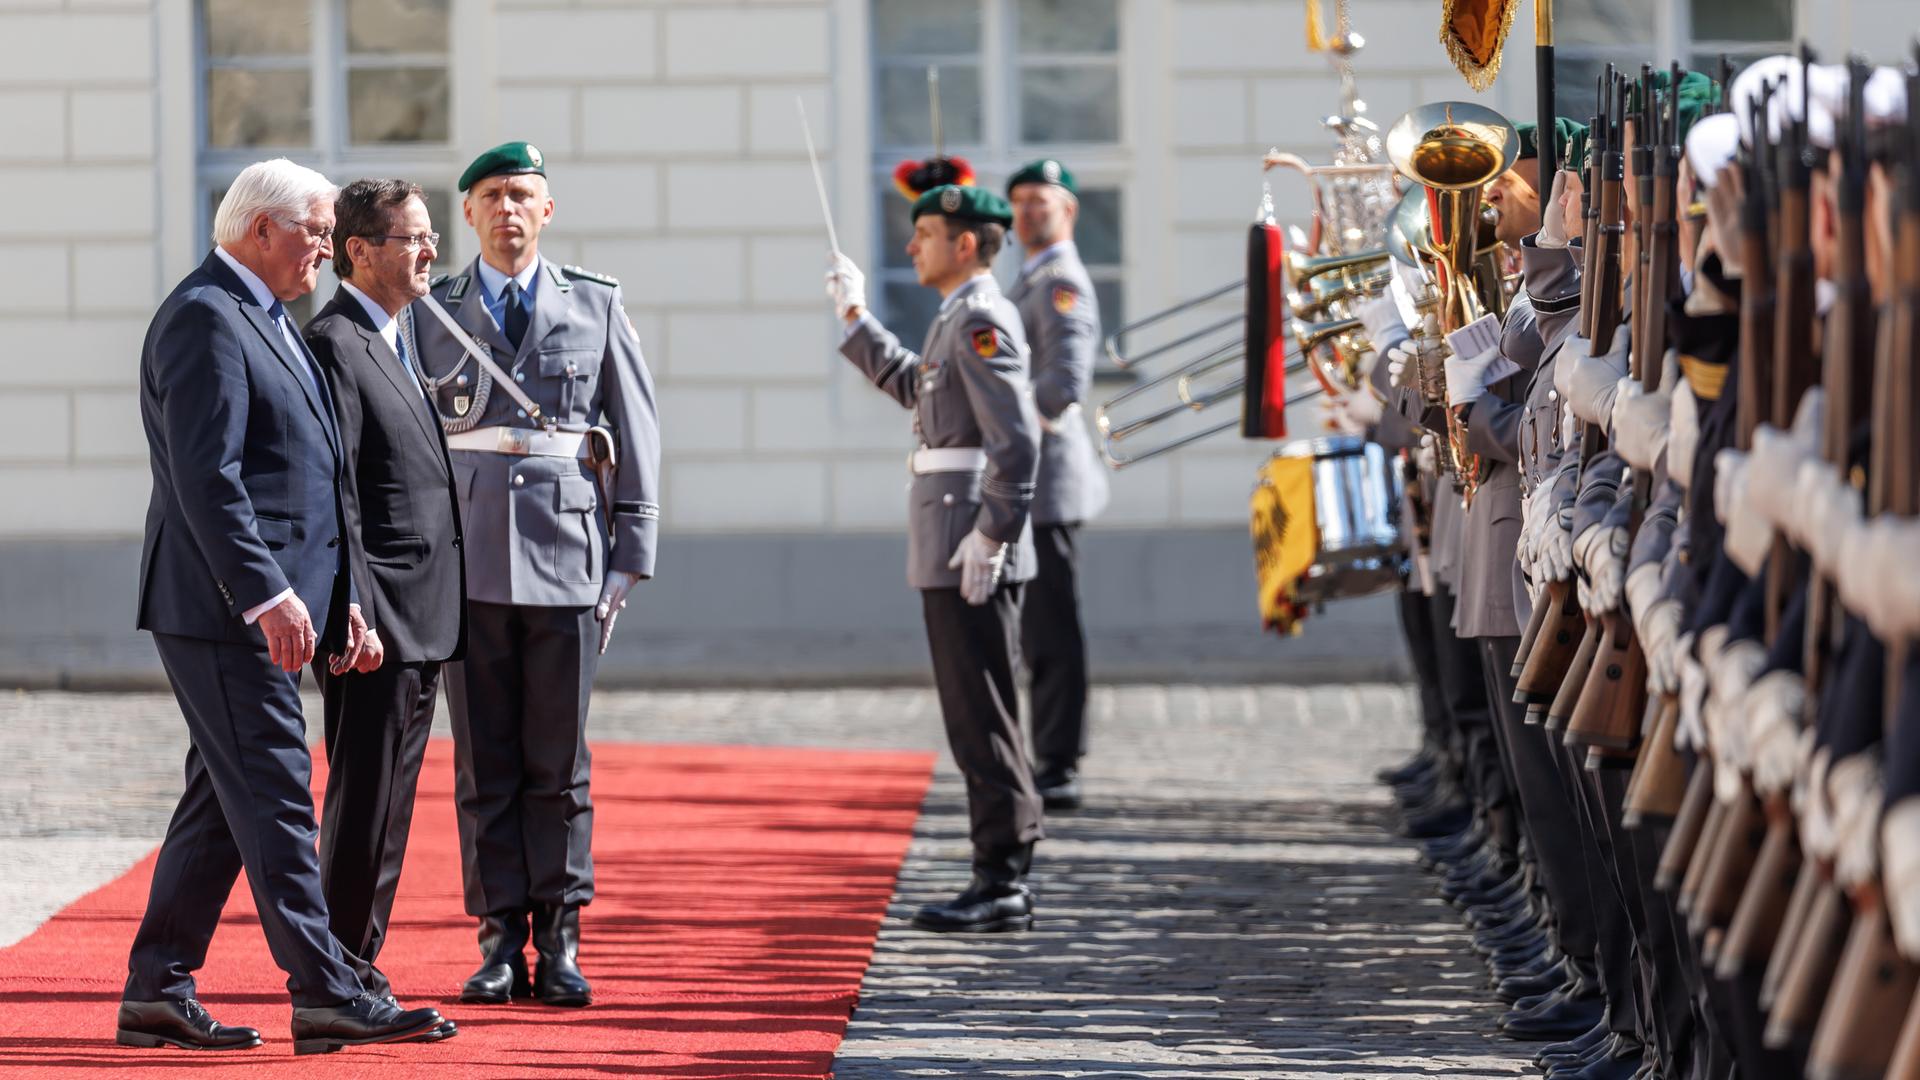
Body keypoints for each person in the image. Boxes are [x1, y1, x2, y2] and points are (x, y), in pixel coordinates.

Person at [123, 157, 444, 1054]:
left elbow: (309, 476)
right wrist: (267, 593)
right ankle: (325, 987)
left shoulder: (263, 316)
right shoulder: (204, 317)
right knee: (273, 793)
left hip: (268, 602)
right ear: (261, 231)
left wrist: (337, 597)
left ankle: (156, 987)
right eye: (315, 230)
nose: (324, 250)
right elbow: (208, 477)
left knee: (221, 803)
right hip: (223, 607)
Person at [409, 141, 661, 1007]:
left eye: (523, 195)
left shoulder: (594, 304)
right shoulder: (429, 312)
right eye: (491, 196)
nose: (508, 210)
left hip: (566, 561)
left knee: (559, 761)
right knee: (484, 762)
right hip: (466, 560)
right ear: (467, 214)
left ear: (546, 211)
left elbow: (635, 429)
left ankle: (559, 936)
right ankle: (495, 939)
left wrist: (632, 553)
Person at [825, 184, 1046, 933]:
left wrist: (995, 532)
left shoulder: (981, 318)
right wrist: (855, 317)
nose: (912, 245)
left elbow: (1017, 440)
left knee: (983, 713)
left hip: (968, 544)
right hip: (951, 537)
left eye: (925, 233)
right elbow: (921, 395)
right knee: (970, 712)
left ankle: (1005, 875)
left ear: (964, 245)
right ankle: (998, 868)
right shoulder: (957, 317)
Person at [302, 178, 465, 1039]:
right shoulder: (337, 342)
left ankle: (355, 970)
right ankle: (336, 988)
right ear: (359, 250)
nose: (429, 251)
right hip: (378, 620)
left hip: (418, 612)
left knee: (389, 808)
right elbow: (341, 493)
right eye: (412, 238)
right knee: (363, 804)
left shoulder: (395, 337)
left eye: (430, 235)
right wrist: (353, 607)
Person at [1004, 159, 1109, 812]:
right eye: (1017, 202)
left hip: (1049, 479)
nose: (1026, 213)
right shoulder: (1034, 276)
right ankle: (1051, 752)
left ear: (1067, 209)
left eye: (1040, 201)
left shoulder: (1060, 279)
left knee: (1052, 628)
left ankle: (1060, 760)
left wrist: (998, 418)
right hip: (1035, 477)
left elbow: (1063, 385)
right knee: (1040, 629)